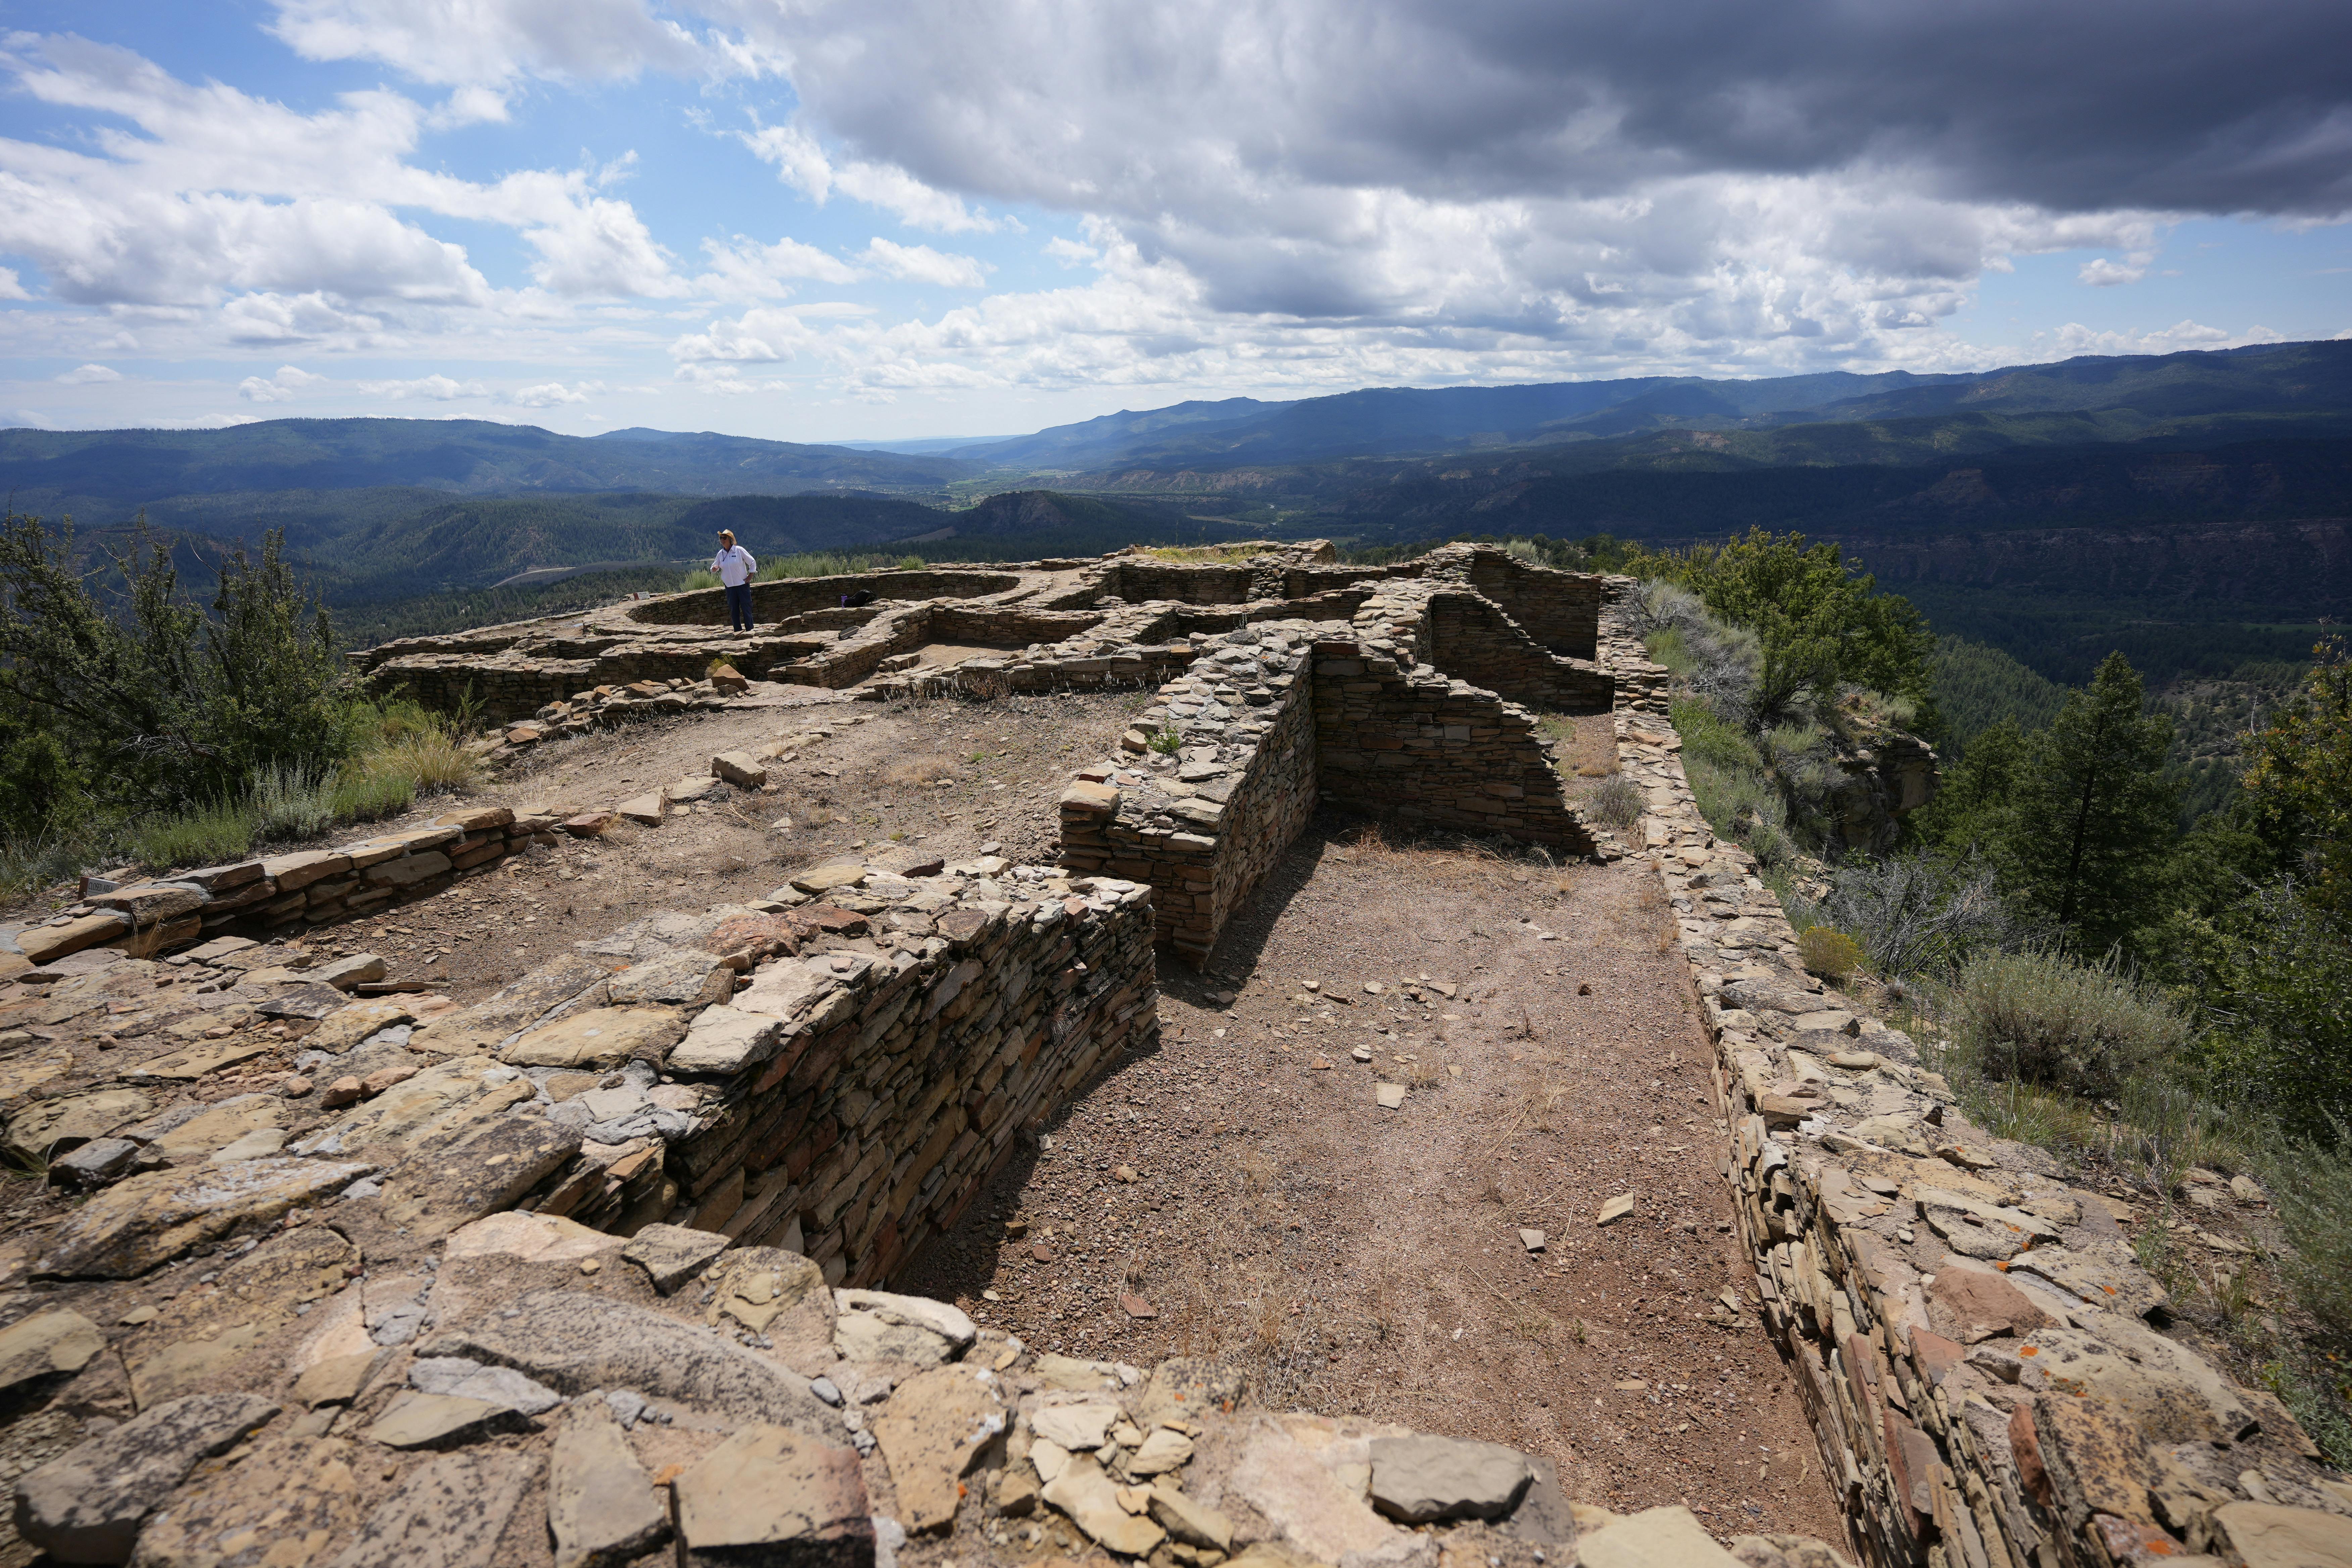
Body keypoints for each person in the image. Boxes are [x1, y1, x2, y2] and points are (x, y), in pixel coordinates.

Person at [712, 530, 757, 632]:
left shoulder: (739, 550)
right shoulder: (721, 554)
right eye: (721, 538)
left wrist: (750, 576)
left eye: (725, 538)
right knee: (734, 610)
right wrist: (714, 569)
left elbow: (752, 562)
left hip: (742, 585)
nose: (722, 540)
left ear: (730, 540)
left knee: (746, 608)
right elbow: (714, 567)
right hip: (730, 586)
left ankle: (750, 630)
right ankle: (737, 631)